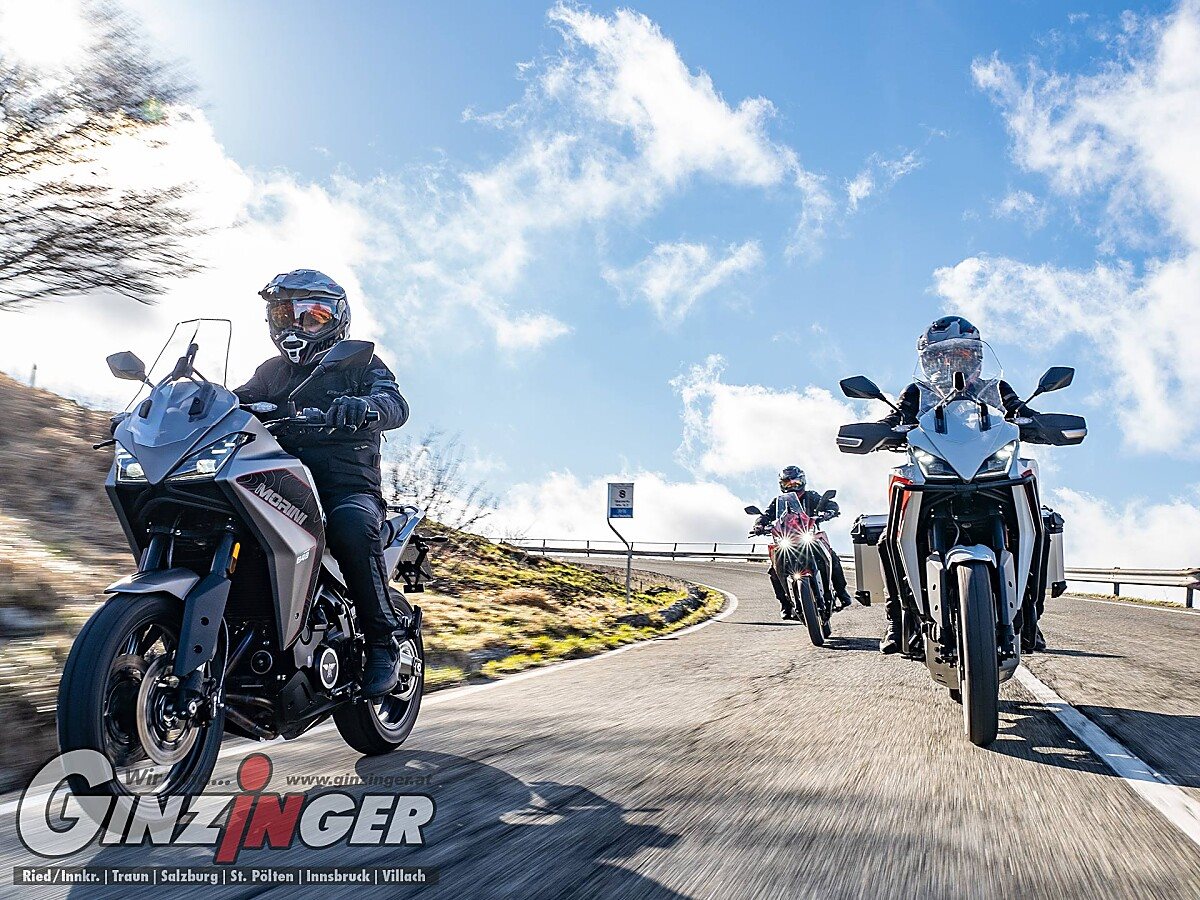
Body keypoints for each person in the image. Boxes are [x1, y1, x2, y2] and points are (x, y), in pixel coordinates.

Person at [235, 269, 412, 697]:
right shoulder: (271, 372)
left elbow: (395, 402)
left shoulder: (359, 363)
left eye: (312, 316)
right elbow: (232, 401)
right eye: (285, 316)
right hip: (280, 482)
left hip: (345, 486)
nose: (297, 327)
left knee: (351, 525)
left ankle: (383, 642)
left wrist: (364, 406)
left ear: (337, 319)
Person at [876, 315, 1045, 655]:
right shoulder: (917, 393)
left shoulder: (996, 390)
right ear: (929, 362)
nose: (953, 364)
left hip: (993, 475)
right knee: (885, 539)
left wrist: (1038, 423)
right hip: (933, 478)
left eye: (963, 355)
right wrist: (880, 430)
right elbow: (895, 418)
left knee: (1041, 523)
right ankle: (898, 619)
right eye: (943, 357)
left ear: (977, 358)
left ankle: (1031, 614)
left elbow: (1020, 412)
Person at [751, 465, 856, 619]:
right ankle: (785, 604)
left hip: (807, 536)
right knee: (773, 571)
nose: (792, 485)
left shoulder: (811, 496)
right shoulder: (779, 501)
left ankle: (841, 592)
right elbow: (766, 515)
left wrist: (830, 511)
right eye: (788, 483)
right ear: (782, 485)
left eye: (795, 482)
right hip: (787, 539)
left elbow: (827, 503)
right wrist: (759, 525)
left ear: (802, 481)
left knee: (832, 557)